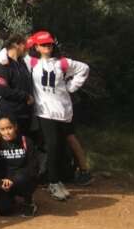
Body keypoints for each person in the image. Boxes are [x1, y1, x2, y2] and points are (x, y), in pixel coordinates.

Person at [27, 30, 89, 202]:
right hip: (44, 111)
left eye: (49, 44)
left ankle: (58, 179)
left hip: (63, 111)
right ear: (37, 47)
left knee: (60, 147)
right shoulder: (32, 62)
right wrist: (29, 41)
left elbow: (84, 69)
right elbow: (6, 55)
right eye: (43, 44)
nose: (47, 46)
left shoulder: (62, 62)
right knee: (52, 145)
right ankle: (53, 182)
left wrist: (72, 86)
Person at [0, 116, 39, 217]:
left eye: (9, 128)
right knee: (2, 210)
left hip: (22, 178)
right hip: (4, 180)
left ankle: (28, 200)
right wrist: (1, 181)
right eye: (3, 129)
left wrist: (14, 180)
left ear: (15, 127)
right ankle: (11, 199)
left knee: (22, 178)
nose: (7, 132)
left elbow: (33, 166)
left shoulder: (26, 141)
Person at [0, 34, 34, 137]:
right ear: (16, 45)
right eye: (24, 44)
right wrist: (25, 96)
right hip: (8, 115)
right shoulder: (2, 65)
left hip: (23, 114)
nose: (26, 48)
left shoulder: (22, 63)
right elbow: (2, 90)